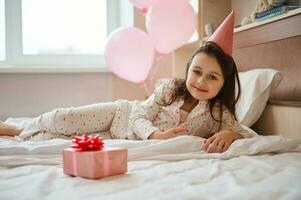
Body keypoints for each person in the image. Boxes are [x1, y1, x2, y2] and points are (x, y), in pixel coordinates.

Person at [0, 11, 257, 153]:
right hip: (119, 115)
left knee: (60, 140)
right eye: (196, 72)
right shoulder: (169, 88)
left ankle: (23, 133)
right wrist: (156, 135)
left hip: (124, 140)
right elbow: (138, 116)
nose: (200, 81)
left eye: (212, 77)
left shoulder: (218, 114)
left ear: (223, 83)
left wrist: (231, 132)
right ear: (188, 70)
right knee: (64, 120)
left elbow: (247, 133)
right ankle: (15, 129)